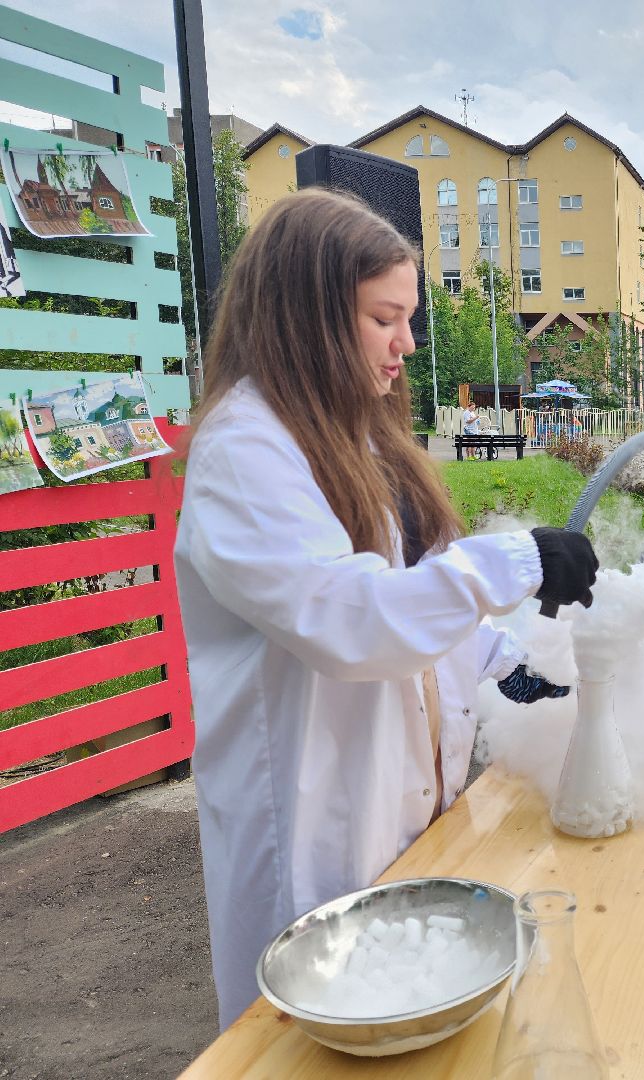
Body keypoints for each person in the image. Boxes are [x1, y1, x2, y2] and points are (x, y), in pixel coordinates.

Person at [173, 189, 599, 1029]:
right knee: (312, 1034)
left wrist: (505, 665)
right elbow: (350, 620)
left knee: (409, 1016)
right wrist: (517, 558)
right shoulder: (243, 450)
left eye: (408, 319)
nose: (407, 344)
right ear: (309, 316)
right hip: (314, 822)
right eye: (384, 318)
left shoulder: (358, 435)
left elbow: (422, 594)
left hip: (404, 808)